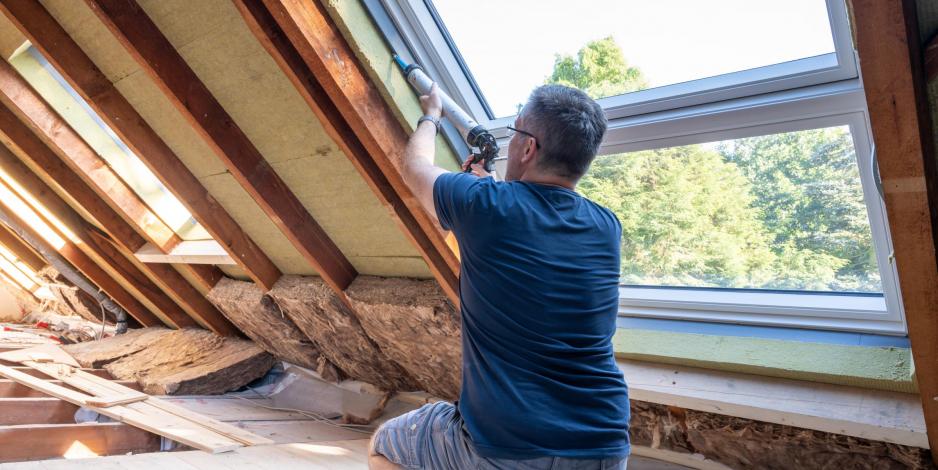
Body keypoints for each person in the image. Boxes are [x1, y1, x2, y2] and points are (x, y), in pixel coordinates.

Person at [368, 83, 629, 470]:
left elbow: (415, 168)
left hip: (508, 447)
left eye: (515, 134)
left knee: (384, 443)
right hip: (603, 445)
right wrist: (492, 188)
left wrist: (431, 115)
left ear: (528, 148)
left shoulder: (484, 205)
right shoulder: (607, 226)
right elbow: (532, 235)